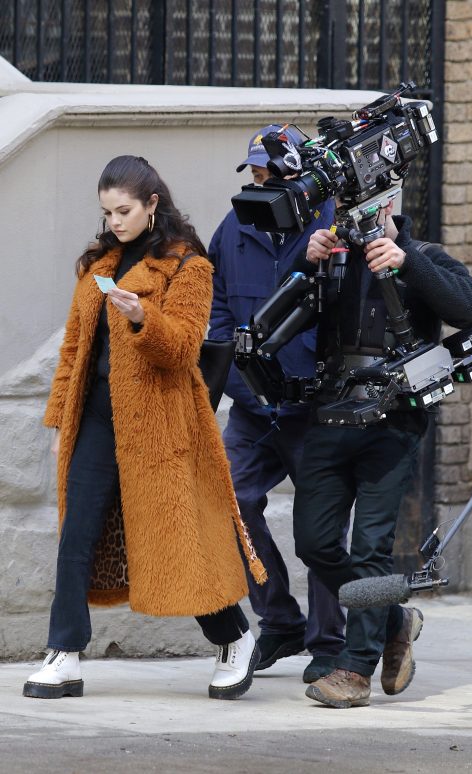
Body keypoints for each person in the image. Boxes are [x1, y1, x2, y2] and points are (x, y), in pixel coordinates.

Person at [23, 155, 267, 702]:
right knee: (76, 536)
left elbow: (182, 348)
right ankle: (63, 653)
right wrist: (60, 417)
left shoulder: (188, 267)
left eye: (124, 211)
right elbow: (74, 349)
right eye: (107, 212)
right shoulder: (99, 263)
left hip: (160, 424)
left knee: (175, 541)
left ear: (152, 204)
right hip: (96, 417)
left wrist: (141, 318)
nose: (115, 222)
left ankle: (233, 638)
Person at [290, 200, 472, 707]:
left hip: (394, 422)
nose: (352, 215)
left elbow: (469, 308)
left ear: (390, 203)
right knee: (313, 542)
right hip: (332, 414)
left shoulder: (423, 254)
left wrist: (407, 261)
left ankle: (355, 671)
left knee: (371, 548)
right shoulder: (331, 255)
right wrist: (304, 262)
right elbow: (283, 316)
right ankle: (395, 620)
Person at [208, 126, 347, 684]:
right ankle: (281, 622)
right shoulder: (235, 224)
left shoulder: (333, 220)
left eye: (267, 173)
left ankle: (329, 641)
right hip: (251, 406)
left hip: (314, 408)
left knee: (321, 527)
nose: (258, 183)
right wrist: (235, 370)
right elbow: (217, 301)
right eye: (254, 173)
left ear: (296, 174)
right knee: (230, 505)